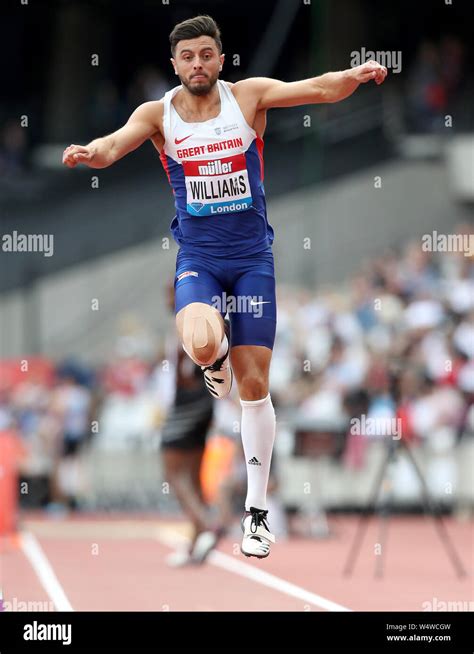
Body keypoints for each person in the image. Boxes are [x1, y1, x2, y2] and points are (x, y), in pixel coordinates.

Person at [62, 14, 387, 558]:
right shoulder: (157, 114)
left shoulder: (249, 97)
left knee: (255, 385)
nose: (197, 64)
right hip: (201, 260)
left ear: (219, 57)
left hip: (252, 260)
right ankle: (214, 365)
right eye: (187, 57)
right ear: (175, 64)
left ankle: (256, 514)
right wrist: (91, 153)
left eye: (206, 55)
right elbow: (114, 145)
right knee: (199, 335)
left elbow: (316, 88)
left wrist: (354, 76)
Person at [158, 281, 222, 565]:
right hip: (207, 403)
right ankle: (197, 541)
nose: (166, 301)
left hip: (188, 403)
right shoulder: (211, 317)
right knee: (194, 477)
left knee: (173, 475)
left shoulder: (186, 322)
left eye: (169, 294)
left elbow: (186, 368)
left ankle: (206, 524)